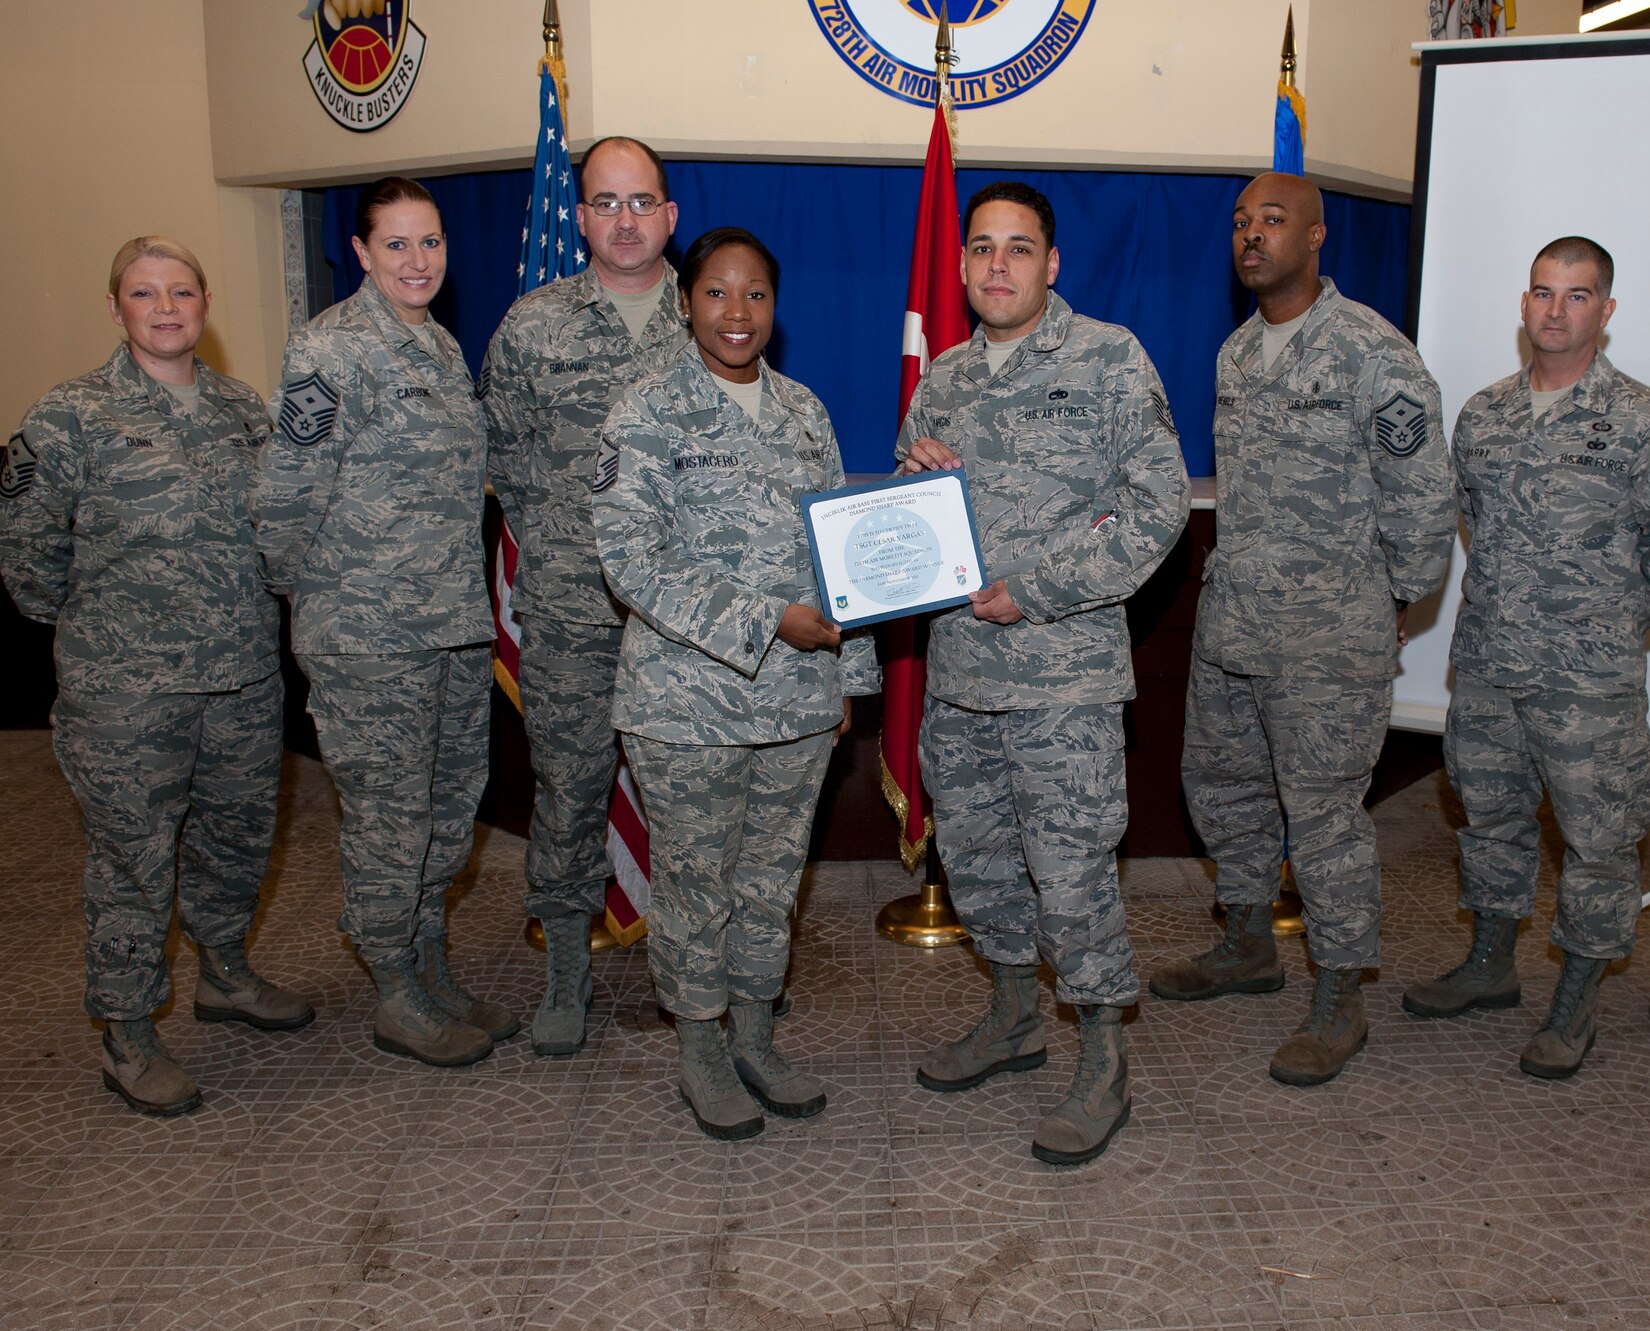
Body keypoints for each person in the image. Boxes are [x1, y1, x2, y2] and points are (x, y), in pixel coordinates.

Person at [899, 181, 1190, 1165]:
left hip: (1062, 675)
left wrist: (1039, 587)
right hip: (960, 672)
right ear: (962, 263)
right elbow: (915, 527)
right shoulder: (937, 378)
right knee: (978, 865)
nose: (996, 265)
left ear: (1050, 263)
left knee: (1070, 876)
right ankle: (1015, 1012)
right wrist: (910, 486)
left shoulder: (1109, 358)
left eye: (1018, 248)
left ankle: (1101, 1053)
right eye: (980, 247)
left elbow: (1155, 512)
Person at [0, 237, 314, 1116]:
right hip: (126, 694)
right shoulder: (69, 416)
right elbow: (28, 561)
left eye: (181, 291)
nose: (166, 307)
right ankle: (128, 1032)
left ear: (204, 305)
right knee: (134, 863)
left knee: (237, 839)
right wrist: (111, 630)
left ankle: (224, 972)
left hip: (243, 681)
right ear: (117, 309)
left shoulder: (241, 410)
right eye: (145, 293)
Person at [1156, 172, 1456, 1087]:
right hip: (1235, 625)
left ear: (1319, 235)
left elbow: (1424, 507)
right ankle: (1248, 941)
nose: (1252, 235)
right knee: (1222, 788)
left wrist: (1379, 604)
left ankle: (1340, 993)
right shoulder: (1238, 352)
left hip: (1328, 639)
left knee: (1324, 820)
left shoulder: (1375, 354)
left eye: (1273, 220)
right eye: (1242, 222)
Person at [594, 227, 878, 1140]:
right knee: (694, 883)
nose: (737, 313)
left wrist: (846, 676)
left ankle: (755, 1033)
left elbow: (842, 555)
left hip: (797, 700)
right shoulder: (644, 411)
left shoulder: (805, 412)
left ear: (774, 306)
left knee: (769, 881)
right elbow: (631, 561)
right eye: (717, 293)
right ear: (687, 302)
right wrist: (769, 622)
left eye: (755, 294)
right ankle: (702, 1049)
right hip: (687, 706)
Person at [1403, 236, 1650, 1079]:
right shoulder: (1484, 414)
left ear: (1606, 312)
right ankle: (1491, 964)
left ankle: (1576, 999)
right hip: (1491, 664)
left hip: (1590, 681)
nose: (1554, 310)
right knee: (1490, 818)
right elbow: (1474, 521)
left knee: (1599, 839)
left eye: (1576, 296)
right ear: (1523, 302)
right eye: (1542, 292)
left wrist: (1598, 623)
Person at [256, 177, 513, 1068]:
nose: (418, 261)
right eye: (396, 245)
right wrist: (324, 605)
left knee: (448, 809)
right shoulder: (331, 351)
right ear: (360, 252)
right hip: (370, 639)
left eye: (430, 242)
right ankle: (395, 989)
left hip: (448, 624)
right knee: (388, 819)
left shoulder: (439, 346)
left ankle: (429, 963)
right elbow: (285, 500)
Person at [482, 136, 684, 1056]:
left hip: (688, 622)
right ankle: (567, 973)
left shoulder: (716, 312)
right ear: (582, 216)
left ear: (669, 215)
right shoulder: (533, 324)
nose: (626, 220)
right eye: (606, 202)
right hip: (572, 612)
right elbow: (511, 467)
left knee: (691, 799)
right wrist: (571, 551)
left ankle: (703, 972)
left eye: (642, 201)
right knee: (568, 793)